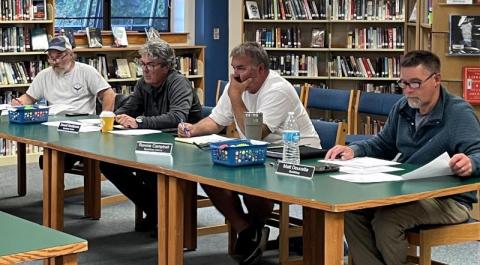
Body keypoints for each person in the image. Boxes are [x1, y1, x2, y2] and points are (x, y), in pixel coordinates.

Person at [325, 50, 480, 265]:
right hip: (407, 192)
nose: (407, 91)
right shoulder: (403, 108)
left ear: (436, 79)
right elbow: (383, 144)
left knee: (387, 221)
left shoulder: (458, 113)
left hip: (448, 200)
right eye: (403, 83)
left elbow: (478, 153)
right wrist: (355, 150)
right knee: (351, 213)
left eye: (415, 83)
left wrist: (471, 163)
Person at [177, 42, 320, 265]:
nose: (236, 74)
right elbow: (216, 121)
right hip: (260, 154)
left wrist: (235, 96)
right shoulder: (237, 86)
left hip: (295, 152)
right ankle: (247, 229)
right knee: (207, 175)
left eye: (241, 68)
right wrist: (193, 129)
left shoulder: (277, 89)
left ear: (260, 69)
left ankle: (255, 230)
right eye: (234, 68)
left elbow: (256, 133)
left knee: (253, 185)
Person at [99, 39, 202, 233]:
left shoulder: (178, 82)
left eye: (151, 65)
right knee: (109, 164)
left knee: (149, 167)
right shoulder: (143, 84)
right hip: (154, 141)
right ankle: (157, 211)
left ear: (167, 66)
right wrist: (115, 116)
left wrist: (138, 122)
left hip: (184, 144)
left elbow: (177, 118)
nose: (145, 70)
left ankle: (166, 215)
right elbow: (130, 107)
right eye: (142, 64)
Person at [12, 35, 116, 170]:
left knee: (54, 160)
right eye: (51, 58)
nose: (55, 61)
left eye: (59, 56)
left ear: (71, 54)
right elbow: (29, 97)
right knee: (51, 157)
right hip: (54, 126)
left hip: (82, 127)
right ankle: (60, 170)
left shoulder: (86, 71)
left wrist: (105, 116)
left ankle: (69, 161)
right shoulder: (44, 75)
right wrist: (18, 102)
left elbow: (109, 94)